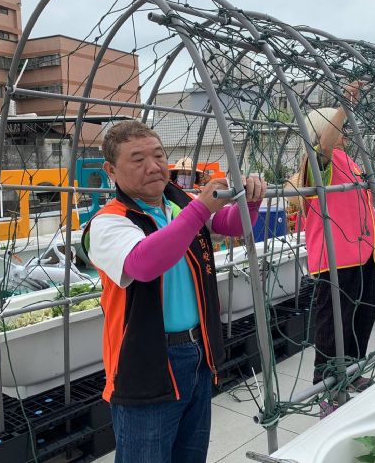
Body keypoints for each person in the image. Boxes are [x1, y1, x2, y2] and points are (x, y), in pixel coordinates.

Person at [84, 120, 266, 463]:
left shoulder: (178, 203)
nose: (154, 167)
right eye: (138, 159)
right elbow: (144, 263)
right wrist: (201, 208)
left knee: (191, 454)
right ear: (111, 170)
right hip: (148, 364)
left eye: (158, 155)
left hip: (197, 351)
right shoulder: (107, 222)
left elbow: (230, 225)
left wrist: (251, 201)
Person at [291, 82, 375, 409]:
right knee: (333, 323)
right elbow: (325, 145)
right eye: (339, 125)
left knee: (362, 315)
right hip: (336, 257)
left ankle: (352, 371)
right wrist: (345, 104)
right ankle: (326, 387)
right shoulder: (316, 161)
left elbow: (370, 197)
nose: (345, 131)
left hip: (364, 254)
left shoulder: (350, 161)